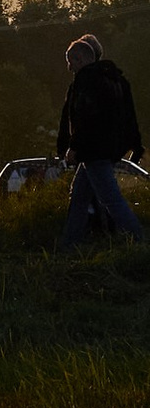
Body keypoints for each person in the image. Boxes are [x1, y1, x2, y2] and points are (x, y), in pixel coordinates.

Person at [55, 34, 145, 253]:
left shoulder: (86, 81)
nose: (69, 68)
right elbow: (128, 115)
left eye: (71, 61)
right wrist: (135, 143)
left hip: (93, 151)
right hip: (107, 148)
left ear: (80, 60)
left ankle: (140, 242)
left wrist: (73, 147)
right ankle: (69, 243)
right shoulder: (115, 79)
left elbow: (84, 117)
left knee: (110, 199)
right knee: (79, 196)